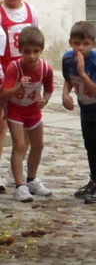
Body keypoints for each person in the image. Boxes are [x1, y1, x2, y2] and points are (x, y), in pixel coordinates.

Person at [62, 21, 96, 204]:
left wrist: (83, 73)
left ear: (94, 43)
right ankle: (93, 181)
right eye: (76, 43)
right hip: (86, 109)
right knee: (88, 144)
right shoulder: (68, 59)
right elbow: (68, 78)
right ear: (70, 42)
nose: (81, 48)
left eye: (85, 44)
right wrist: (65, 94)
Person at [0, 0, 40, 192]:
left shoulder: (31, 12)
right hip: (5, 74)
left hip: (26, 75)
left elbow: (36, 39)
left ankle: (17, 168)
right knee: (1, 122)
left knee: (22, 121)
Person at [3, 27, 53, 203]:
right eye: (27, 52)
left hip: (33, 111)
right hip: (16, 111)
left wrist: (45, 101)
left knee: (38, 145)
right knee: (19, 145)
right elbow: (4, 93)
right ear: (20, 50)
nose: (31, 56)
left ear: (41, 50)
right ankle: (19, 186)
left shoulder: (45, 68)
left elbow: (48, 89)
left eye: (35, 51)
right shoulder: (14, 67)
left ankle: (31, 179)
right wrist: (18, 87)